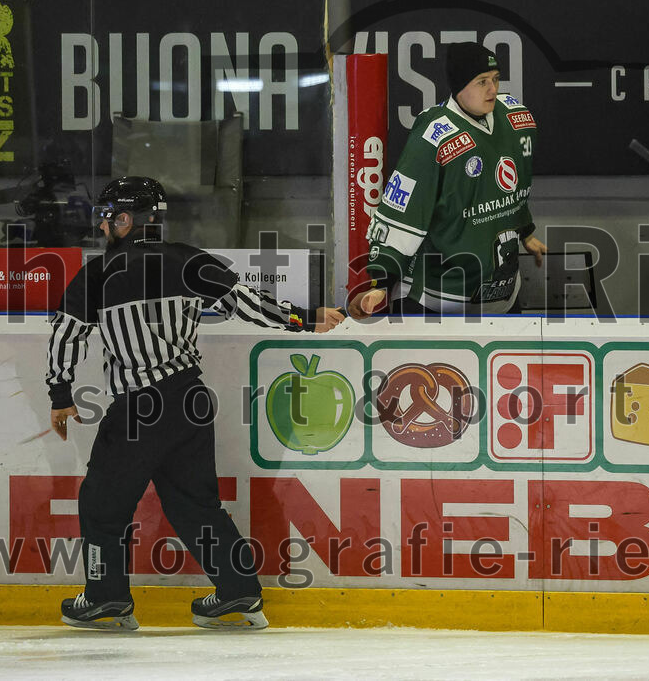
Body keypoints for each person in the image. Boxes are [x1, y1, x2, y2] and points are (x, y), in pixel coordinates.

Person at [47, 176, 345, 631]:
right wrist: (304, 319)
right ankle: (238, 592)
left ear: (126, 220)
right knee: (195, 504)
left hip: (139, 408)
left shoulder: (97, 273)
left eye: (108, 218)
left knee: (101, 505)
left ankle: (106, 599)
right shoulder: (189, 260)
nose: (104, 227)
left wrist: (61, 394)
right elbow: (247, 303)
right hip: (189, 399)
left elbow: (66, 334)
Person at [349, 42, 546, 318]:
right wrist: (382, 282)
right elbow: (403, 209)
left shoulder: (517, 119)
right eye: (481, 81)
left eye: (496, 79)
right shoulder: (434, 137)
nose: (493, 89)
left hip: (498, 295)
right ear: (459, 86)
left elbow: (512, 191)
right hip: (435, 298)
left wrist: (525, 231)